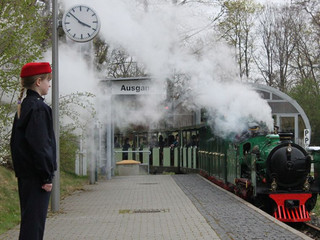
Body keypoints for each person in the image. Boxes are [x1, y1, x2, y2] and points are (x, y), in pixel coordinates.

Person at [10, 62, 57, 240]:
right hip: (37, 177)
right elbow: (41, 145)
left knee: (29, 221)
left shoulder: (24, 106)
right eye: (47, 80)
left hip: (26, 175)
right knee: (34, 226)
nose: (49, 84)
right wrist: (46, 176)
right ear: (38, 81)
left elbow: (17, 144)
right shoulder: (39, 108)